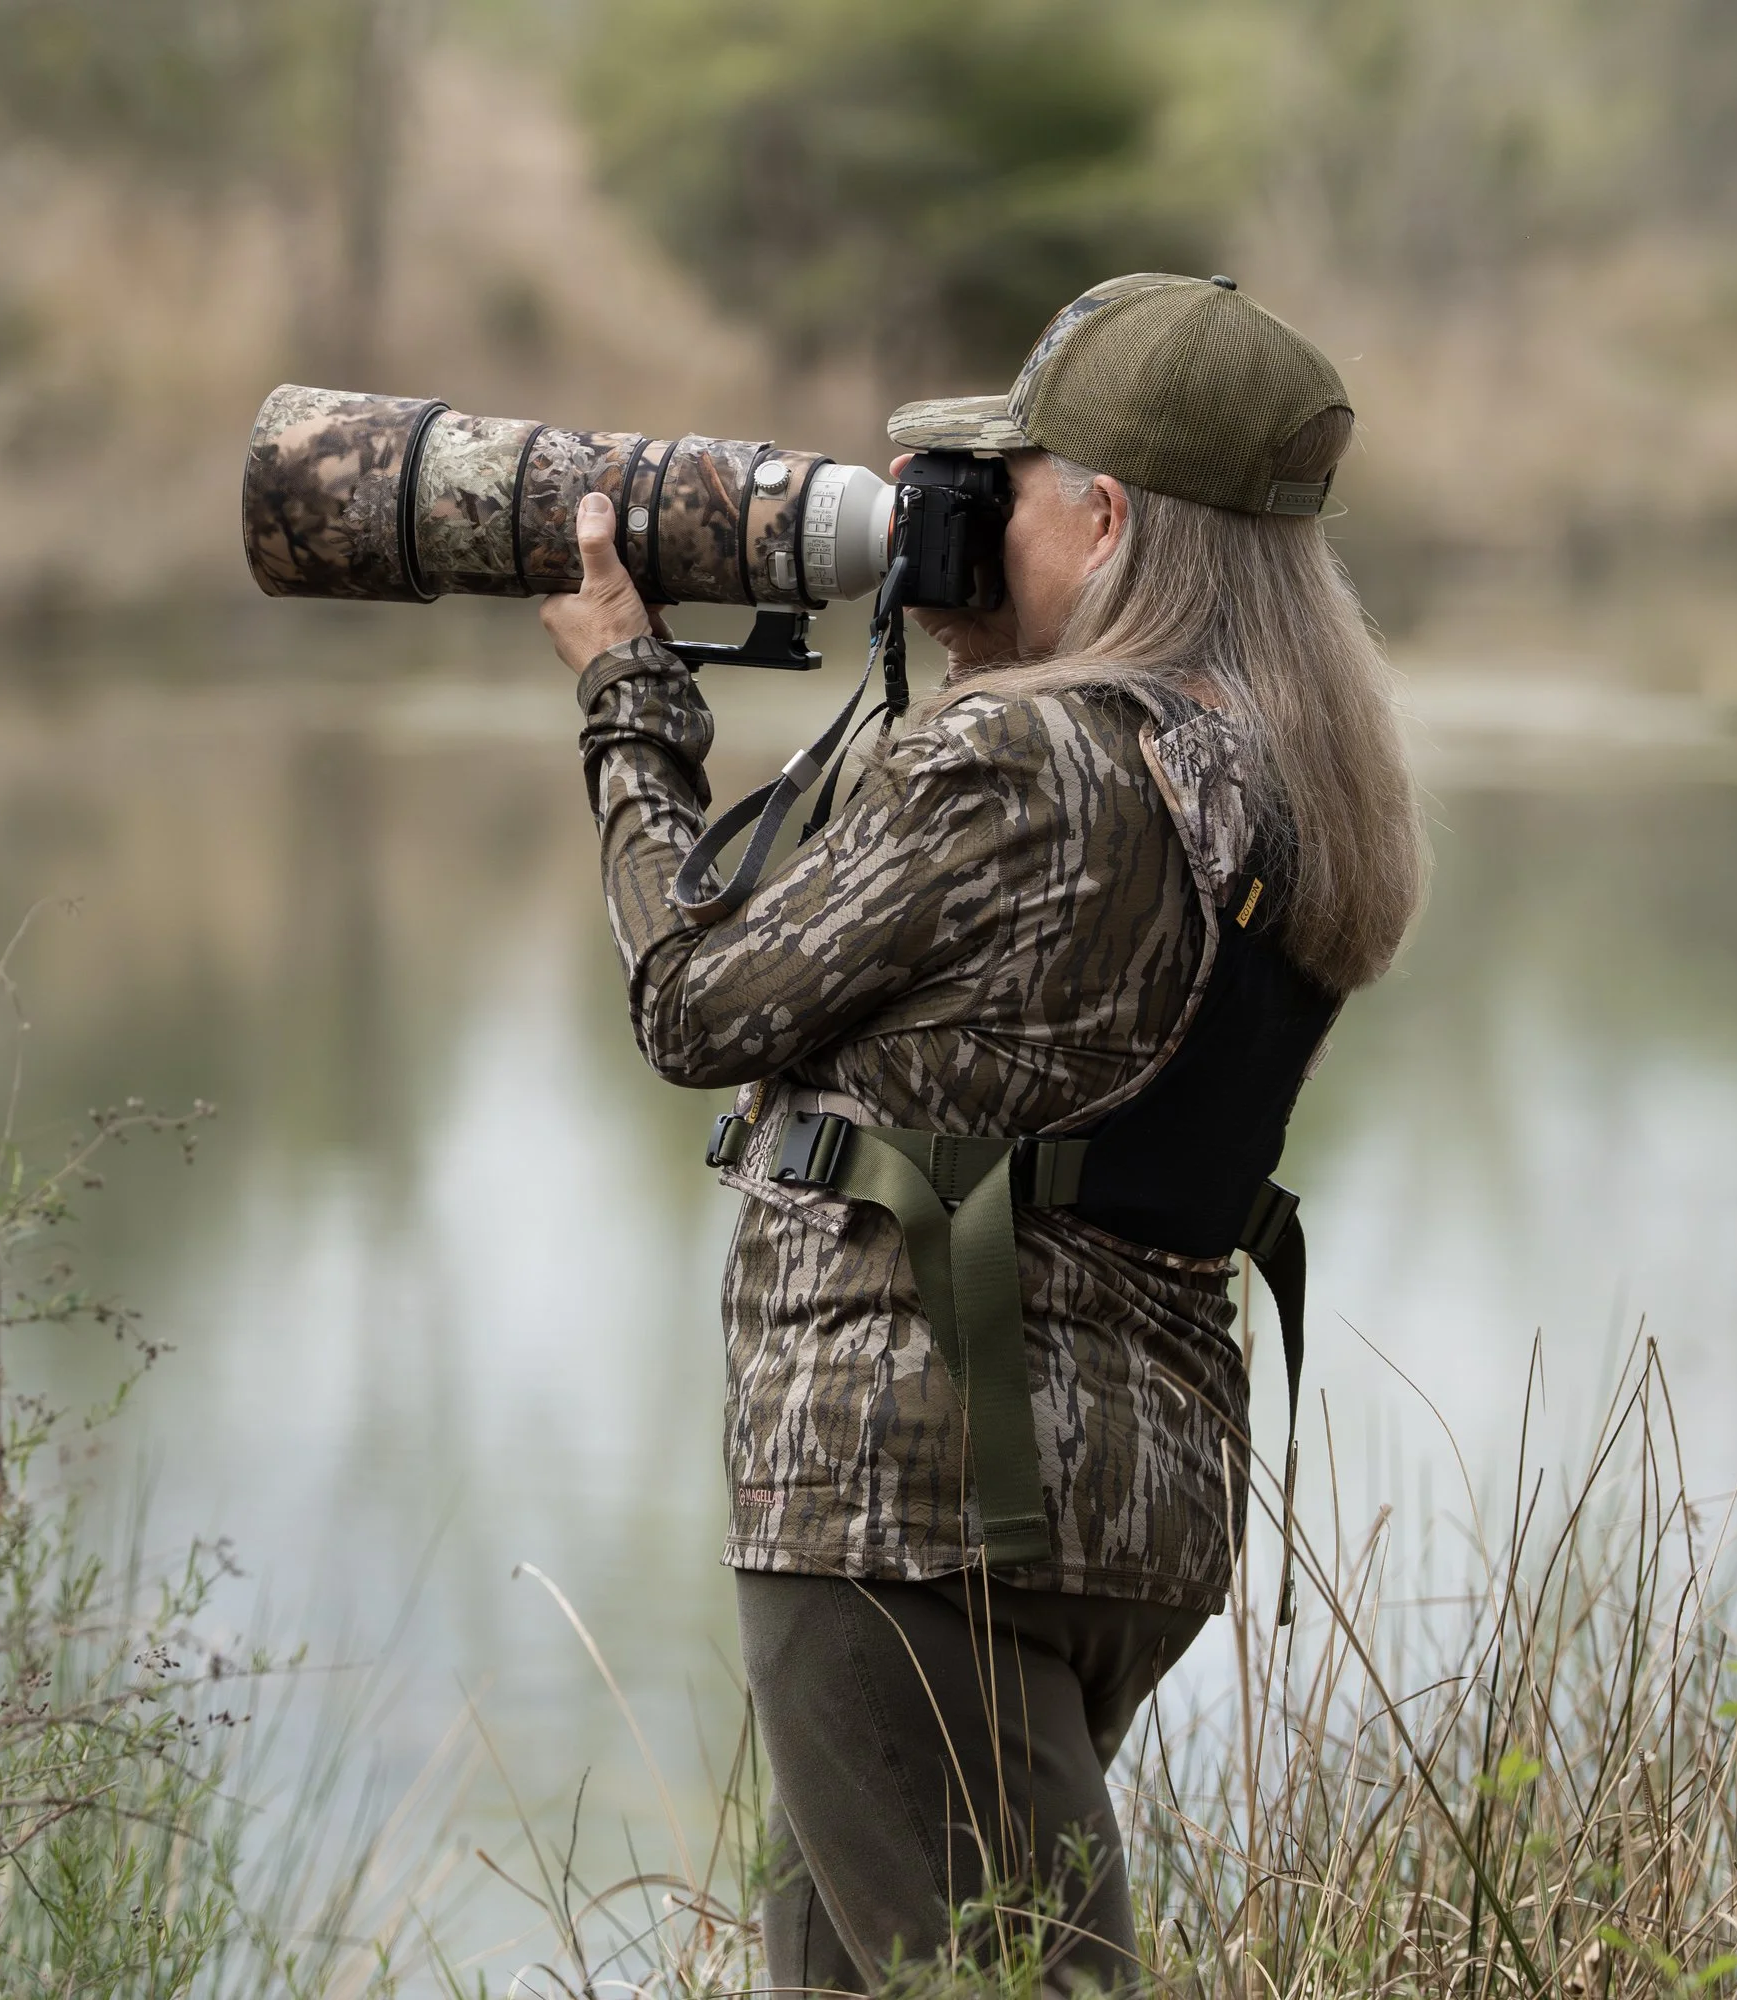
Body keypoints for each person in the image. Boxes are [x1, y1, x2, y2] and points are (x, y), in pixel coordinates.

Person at [538, 273, 1426, 1993]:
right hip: (1128, 1504)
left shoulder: (1024, 759)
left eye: (989, 491)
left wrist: (629, 707)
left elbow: (693, 1007)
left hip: (905, 1490)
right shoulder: (1291, 779)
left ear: (1101, 517)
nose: (942, 529)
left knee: (1003, 1980)